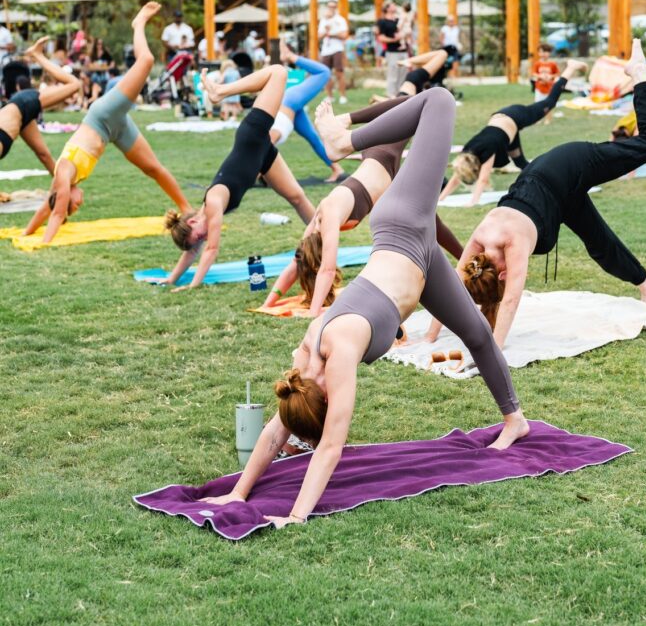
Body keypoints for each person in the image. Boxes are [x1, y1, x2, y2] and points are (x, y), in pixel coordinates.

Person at [199, 88, 530, 525]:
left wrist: (296, 518)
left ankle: (343, 142)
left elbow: (331, 447)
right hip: (420, 259)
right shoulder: (304, 370)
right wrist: (238, 494)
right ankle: (516, 421)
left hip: (402, 226)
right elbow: (276, 430)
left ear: (323, 396)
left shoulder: (333, 354)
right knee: (478, 336)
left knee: (440, 102)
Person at [455, 40, 646, 350]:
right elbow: (456, 286)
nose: (505, 276)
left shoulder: (507, 243)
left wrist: (494, 352)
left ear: (497, 274)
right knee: (598, 240)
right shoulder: (480, 254)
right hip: (554, 196)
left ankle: (638, 74)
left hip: (565, 167)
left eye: (499, 278)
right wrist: (430, 336)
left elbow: (512, 298)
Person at [263, 94, 463, 314]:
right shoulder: (314, 229)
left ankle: (345, 120)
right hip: (388, 182)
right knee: (431, 221)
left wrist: (314, 313)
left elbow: (327, 271)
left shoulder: (328, 214)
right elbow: (294, 265)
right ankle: (465, 257)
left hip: (381, 155)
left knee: (411, 102)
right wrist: (268, 303)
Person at [24, 3, 191, 244]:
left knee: (146, 60)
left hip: (103, 115)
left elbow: (57, 212)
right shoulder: (63, 183)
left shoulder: (63, 176)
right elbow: (46, 209)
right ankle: (186, 207)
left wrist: (44, 244)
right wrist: (25, 234)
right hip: (114, 130)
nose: (80, 203)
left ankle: (139, 23)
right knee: (153, 168)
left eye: (75, 205)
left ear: (65, 196)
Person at [163, 65, 314, 291]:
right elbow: (192, 252)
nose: (202, 239)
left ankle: (220, 92)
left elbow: (212, 250)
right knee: (298, 198)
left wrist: (194, 285)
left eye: (198, 236)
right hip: (262, 155)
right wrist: (171, 279)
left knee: (279, 73)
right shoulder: (205, 214)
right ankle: (325, 233)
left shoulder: (213, 204)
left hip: (252, 136)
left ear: (193, 222)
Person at [440, 63, 584, 205]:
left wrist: (473, 202)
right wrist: (440, 199)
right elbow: (457, 176)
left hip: (515, 116)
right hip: (507, 130)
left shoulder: (487, 149)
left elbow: (484, 178)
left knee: (550, 102)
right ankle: (547, 184)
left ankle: (570, 68)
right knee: (522, 164)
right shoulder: (467, 155)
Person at [204, 39, 345, 182]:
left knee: (324, 73)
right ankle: (337, 169)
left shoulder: (265, 140)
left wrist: (246, 175)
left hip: (288, 104)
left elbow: (254, 155)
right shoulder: (267, 143)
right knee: (313, 137)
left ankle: (291, 57)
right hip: (290, 109)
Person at [0, 38, 82, 169]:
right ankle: (67, 189)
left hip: (23, 103)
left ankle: (37, 55)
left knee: (74, 84)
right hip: (19, 116)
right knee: (44, 155)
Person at [318, 0, 349, 105]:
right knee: (326, 74)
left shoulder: (340, 20)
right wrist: (327, 31)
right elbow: (319, 36)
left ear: (336, 7)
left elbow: (344, 35)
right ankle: (330, 96)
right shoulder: (323, 20)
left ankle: (343, 96)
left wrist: (331, 33)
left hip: (337, 49)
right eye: (329, 6)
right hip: (326, 50)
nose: (331, 8)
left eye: (333, 6)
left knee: (339, 73)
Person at [376, 1, 407, 97]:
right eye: (392, 5)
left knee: (403, 75)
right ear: (387, 8)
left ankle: (400, 96)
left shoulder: (398, 20)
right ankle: (391, 96)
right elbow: (381, 37)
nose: (395, 6)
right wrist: (394, 39)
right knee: (393, 75)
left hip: (403, 51)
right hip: (392, 52)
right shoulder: (382, 22)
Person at [84, 37, 118, 102]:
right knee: (94, 78)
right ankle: (94, 95)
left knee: (106, 78)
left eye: (101, 44)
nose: (99, 45)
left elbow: (112, 62)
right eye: (98, 44)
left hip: (104, 73)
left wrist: (109, 67)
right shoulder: (93, 53)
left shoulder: (105, 53)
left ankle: (101, 93)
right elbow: (89, 65)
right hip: (95, 73)